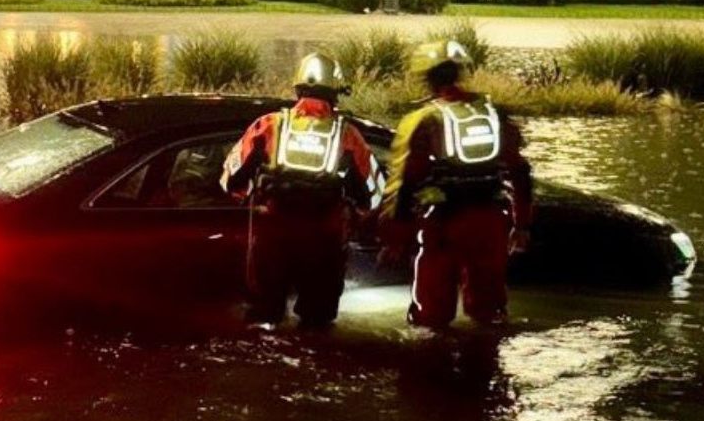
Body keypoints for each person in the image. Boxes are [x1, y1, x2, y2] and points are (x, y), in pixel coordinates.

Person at [380, 40, 534, 329]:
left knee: (431, 318)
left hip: (443, 225)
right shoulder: (493, 114)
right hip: (491, 223)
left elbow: (405, 182)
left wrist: (395, 237)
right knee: (490, 313)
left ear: (427, 79)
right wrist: (522, 225)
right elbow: (520, 171)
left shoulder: (424, 119)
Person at [219, 53, 382, 327]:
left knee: (264, 320)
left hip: (272, 238)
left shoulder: (268, 125)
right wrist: (354, 212)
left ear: (298, 87)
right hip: (323, 243)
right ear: (335, 91)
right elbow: (373, 196)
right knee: (317, 324)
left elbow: (230, 179)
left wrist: (253, 197)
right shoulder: (348, 136)